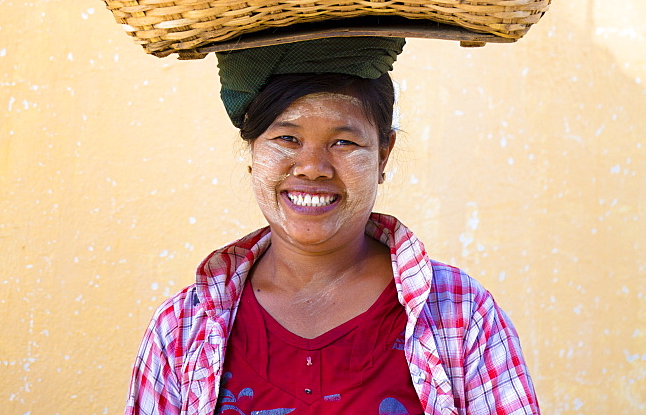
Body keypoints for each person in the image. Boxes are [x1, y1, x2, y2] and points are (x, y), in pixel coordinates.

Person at [125, 37, 540, 415]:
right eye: (287, 139)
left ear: (382, 156)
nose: (312, 168)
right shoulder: (181, 330)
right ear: (252, 151)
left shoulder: (462, 315)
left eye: (343, 142)